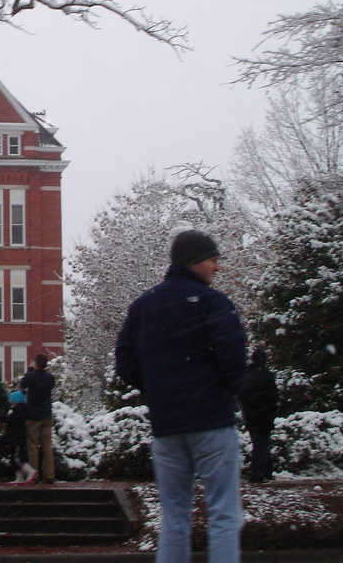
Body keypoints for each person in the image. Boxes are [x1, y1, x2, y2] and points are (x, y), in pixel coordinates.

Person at [115, 228, 248, 563]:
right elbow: (233, 356)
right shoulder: (212, 302)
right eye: (213, 260)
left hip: (167, 425)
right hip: (212, 421)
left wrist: (158, 390)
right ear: (195, 261)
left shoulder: (144, 305)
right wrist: (224, 389)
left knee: (174, 517)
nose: (217, 267)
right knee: (223, 515)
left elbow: (125, 361)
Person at [239, 347, 279, 484]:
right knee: (262, 445)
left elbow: (241, 395)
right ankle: (257, 475)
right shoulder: (267, 376)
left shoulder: (245, 375)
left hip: (250, 416)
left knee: (260, 444)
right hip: (264, 416)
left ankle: (267, 471)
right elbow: (273, 396)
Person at [20, 354, 55, 484]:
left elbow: (23, 384)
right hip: (46, 414)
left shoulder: (30, 377)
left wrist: (30, 370)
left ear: (36, 363)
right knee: (47, 447)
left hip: (33, 415)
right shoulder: (50, 378)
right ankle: (49, 475)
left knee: (33, 447)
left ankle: (34, 474)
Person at [0, 390, 36, 484]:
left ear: (16, 400)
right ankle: (19, 478)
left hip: (17, 438)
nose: (10, 401)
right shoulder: (19, 410)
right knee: (14, 458)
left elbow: (10, 420)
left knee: (17, 458)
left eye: (11, 400)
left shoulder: (19, 410)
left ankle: (30, 471)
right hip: (16, 438)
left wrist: (0, 417)